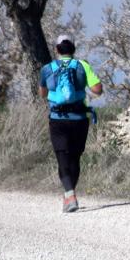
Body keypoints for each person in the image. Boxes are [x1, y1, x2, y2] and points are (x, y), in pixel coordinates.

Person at [39, 34, 103, 213]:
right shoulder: (82, 65)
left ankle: (70, 194)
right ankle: (69, 195)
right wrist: (85, 88)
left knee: (62, 157)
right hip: (79, 119)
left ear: (57, 50)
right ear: (73, 49)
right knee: (75, 157)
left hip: (58, 121)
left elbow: (42, 93)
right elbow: (97, 90)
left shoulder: (47, 69)